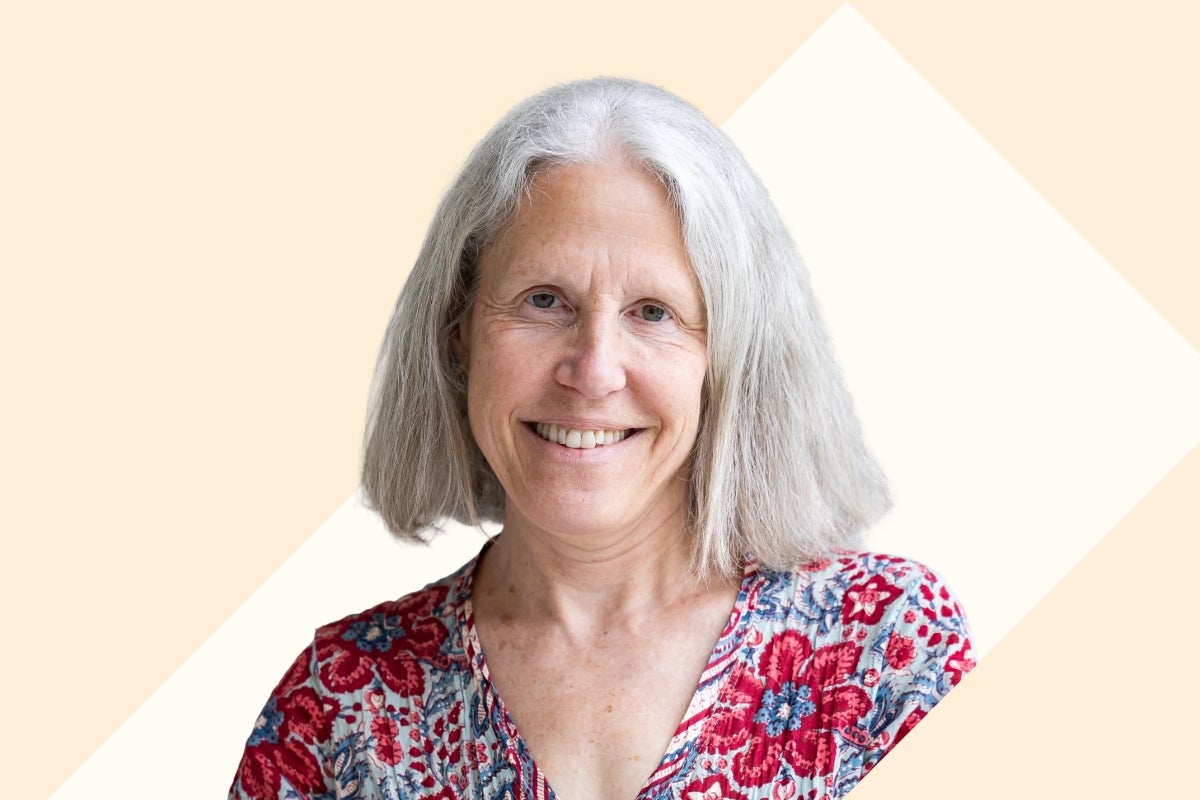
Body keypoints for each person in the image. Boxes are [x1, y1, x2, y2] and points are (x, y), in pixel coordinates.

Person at [229, 77, 974, 800]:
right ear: (459, 332)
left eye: (653, 312)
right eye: (544, 300)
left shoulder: (887, 653)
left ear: (731, 357)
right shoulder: (340, 707)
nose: (593, 370)